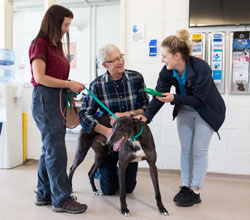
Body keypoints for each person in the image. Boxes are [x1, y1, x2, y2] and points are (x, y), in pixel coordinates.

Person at [136, 29, 226, 207]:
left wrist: (174, 98)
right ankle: (186, 186)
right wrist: (146, 116)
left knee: (199, 150)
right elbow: (159, 96)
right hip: (185, 109)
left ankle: (195, 190)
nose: (162, 59)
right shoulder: (167, 71)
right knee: (186, 149)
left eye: (164, 56)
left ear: (177, 55)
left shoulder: (201, 68)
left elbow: (199, 99)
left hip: (206, 110)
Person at [29, 5, 87, 214]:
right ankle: (61, 199)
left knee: (49, 149)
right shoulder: (39, 44)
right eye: (65, 24)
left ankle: (43, 194)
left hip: (58, 99)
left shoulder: (56, 46)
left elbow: (57, 76)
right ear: (54, 22)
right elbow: (40, 78)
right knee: (57, 151)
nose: (67, 29)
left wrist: (70, 83)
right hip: (45, 99)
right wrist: (67, 84)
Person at [79, 44, 149, 195]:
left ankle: (118, 169)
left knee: (128, 189)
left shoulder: (136, 78)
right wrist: (105, 130)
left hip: (131, 142)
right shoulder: (97, 85)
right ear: (104, 65)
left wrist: (128, 113)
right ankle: (102, 171)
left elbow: (146, 106)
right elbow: (84, 115)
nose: (120, 62)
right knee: (109, 190)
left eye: (121, 57)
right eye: (115, 60)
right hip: (110, 143)